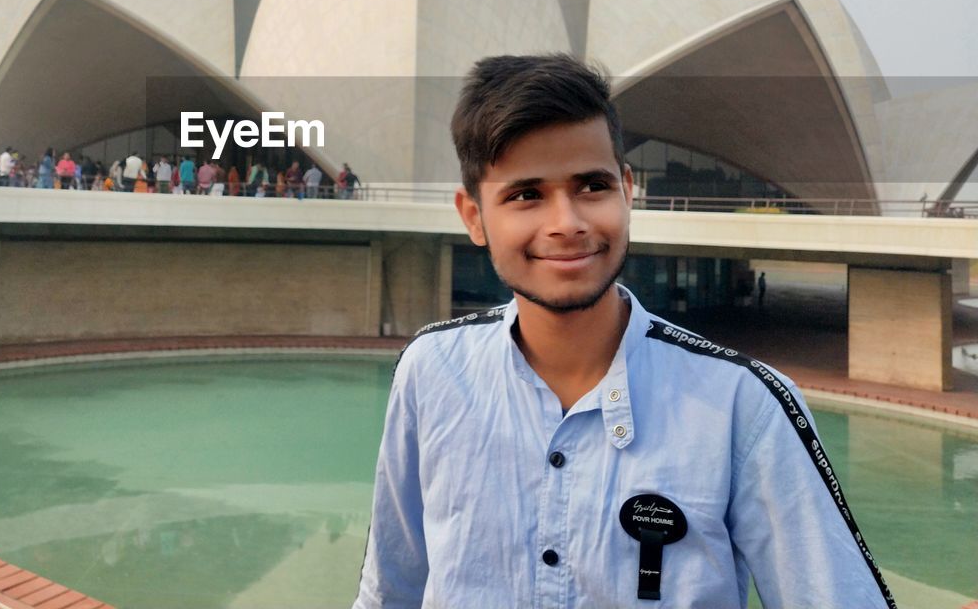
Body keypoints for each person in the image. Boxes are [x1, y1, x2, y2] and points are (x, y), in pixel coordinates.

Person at [353, 54, 894, 609]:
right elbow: (388, 591)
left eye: (592, 185)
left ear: (627, 190)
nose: (567, 223)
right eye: (525, 194)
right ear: (473, 216)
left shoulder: (744, 406)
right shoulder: (431, 371)